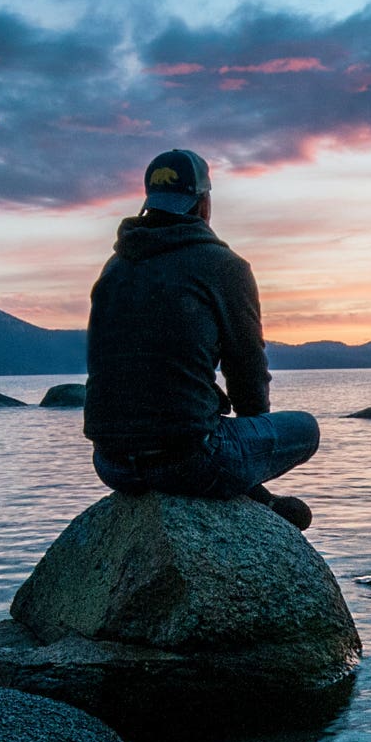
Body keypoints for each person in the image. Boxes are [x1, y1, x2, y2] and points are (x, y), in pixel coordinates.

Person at [84, 148, 319, 529]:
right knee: (305, 428)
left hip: (111, 464)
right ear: (203, 203)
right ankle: (254, 496)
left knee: (203, 426)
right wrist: (249, 442)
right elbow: (246, 370)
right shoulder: (223, 266)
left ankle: (255, 496)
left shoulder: (114, 268)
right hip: (189, 461)